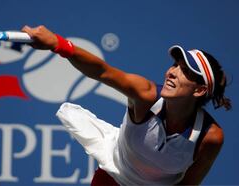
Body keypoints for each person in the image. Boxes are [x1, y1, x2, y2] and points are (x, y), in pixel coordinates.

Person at [21, 25, 231, 185]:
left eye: (184, 71)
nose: (172, 72)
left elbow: (189, 183)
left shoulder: (210, 137)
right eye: (175, 65)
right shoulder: (146, 95)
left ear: (200, 90)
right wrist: (58, 44)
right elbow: (103, 71)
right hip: (114, 178)